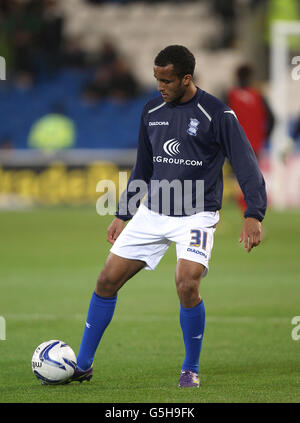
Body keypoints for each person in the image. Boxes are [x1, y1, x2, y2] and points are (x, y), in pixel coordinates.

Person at [67, 45, 267, 388]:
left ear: (186, 78)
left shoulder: (217, 114)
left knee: (187, 283)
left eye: (167, 80)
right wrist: (123, 212)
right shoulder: (151, 110)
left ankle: (190, 368)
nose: (160, 86)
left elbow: (246, 163)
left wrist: (254, 213)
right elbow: (143, 167)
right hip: (153, 212)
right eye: (157, 78)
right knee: (106, 280)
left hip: (197, 215)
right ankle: (82, 364)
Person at [226, 63, 274, 213]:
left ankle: (215, 215)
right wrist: (263, 137)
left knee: (229, 179)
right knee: (248, 180)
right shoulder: (259, 96)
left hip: (233, 145)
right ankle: (251, 214)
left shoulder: (230, 95)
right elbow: (272, 119)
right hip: (254, 146)